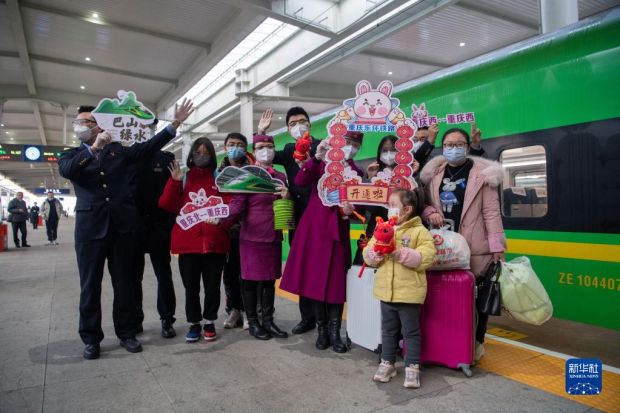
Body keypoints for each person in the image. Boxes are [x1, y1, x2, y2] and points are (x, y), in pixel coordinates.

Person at [58, 99, 194, 360]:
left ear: (100, 126)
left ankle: (126, 332)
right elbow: (69, 171)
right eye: (79, 122)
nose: (82, 126)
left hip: (122, 229)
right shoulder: (71, 155)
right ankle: (91, 338)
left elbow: (148, 147)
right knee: (90, 286)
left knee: (125, 284)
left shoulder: (118, 151)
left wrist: (174, 124)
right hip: (89, 232)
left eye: (88, 122)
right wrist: (93, 149)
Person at [419, 127, 505, 361]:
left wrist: (497, 247)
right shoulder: (435, 172)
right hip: (444, 245)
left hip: (475, 244)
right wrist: (428, 212)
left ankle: (476, 342)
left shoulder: (483, 174)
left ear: (467, 147)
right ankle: (450, 344)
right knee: (446, 295)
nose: (453, 148)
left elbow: (491, 212)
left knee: (477, 299)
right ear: (442, 147)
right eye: (448, 144)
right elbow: (424, 202)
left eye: (459, 144)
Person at [280, 131, 364, 353]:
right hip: (315, 228)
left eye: (355, 144)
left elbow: (359, 203)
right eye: (347, 142)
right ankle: (322, 330)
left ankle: (336, 332)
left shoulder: (355, 171)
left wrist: (352, 209)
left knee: (336, 282)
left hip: (338, 229)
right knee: (316, 280)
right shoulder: (321, 163)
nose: (350, 146)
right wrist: (316, 159)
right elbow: (300, 181)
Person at [158, 137, 230, 343]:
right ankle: (193, 323)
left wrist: (222, 222)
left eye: (206, 153)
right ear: (191, 155)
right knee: (191, 288)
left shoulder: (219, 178)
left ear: (212, 156)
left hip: (215, 245)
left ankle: (209, 322)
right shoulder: (183, 178)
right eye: (197, 153)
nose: (201, 157)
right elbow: (167, 205)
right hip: (188, 246)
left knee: (213, 286)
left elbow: (230, 206)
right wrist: (174, 181)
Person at [363, 188, 436, 388]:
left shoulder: (420, 231)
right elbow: (368, 252)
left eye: (393, 205)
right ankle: (387, 363)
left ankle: (412, 367)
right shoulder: (384, 228)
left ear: (407, 209)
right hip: (386, 292)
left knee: (411, 332)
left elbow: (427, 256)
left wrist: (400, 254)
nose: (389, 208)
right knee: (387, 330)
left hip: (409, 294)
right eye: (389, 205)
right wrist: (374, 256)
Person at [257, 107, 320, 335]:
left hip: (321, 219)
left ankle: (323, 319)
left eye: (302, 121)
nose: (298, 126)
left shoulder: (323, 147)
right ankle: (307, 318)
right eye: (292, 123)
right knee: (303, 268)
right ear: (288, 128)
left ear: (309, 124)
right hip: (299, 219)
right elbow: (264, 154)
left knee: (321, 269)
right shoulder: (288, 149)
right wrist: (262, 132)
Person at [223, 134, 290, 340]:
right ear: (254, 149)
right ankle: (252, 322)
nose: (266, 150)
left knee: (270, 281)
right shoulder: (246, 174)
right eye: (261, 146)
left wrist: (286, 198)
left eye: (270, 146)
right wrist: (221, 218)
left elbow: (284, 208)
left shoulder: (280, 176)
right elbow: (237, 204)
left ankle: (268, 321)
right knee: (250, 281)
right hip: (251, 235)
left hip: (274, 233)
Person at [132, 147, 177, 339]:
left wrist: (169, 224)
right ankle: (135, 319)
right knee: (134, 278)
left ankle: (167, 319)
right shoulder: (129, 156)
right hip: (135, 227)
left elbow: (173, 191)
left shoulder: (166, 158)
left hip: (159, 227)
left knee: (164, 275)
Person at [217, 133, 256, 330]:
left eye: (240, 144)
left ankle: (250, 311)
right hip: (227, 232)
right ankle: (234, 310)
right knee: (230, 273)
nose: (235, 147)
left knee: (248, 273)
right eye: (231, 144)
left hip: (251, 230)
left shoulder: (254, 170)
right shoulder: (218, 173)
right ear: (225, 147)